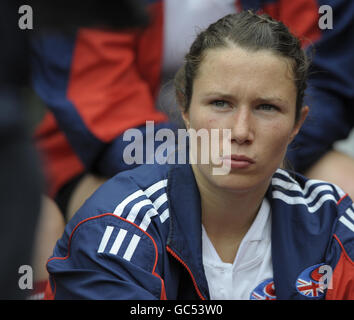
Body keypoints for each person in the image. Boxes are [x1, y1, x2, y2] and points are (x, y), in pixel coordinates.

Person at [44, 11, 354, 300]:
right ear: (184, 109)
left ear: (297, 124)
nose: (241, 131)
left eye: (267, 107)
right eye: (221, 103)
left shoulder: (332, 224)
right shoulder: (115, 230)